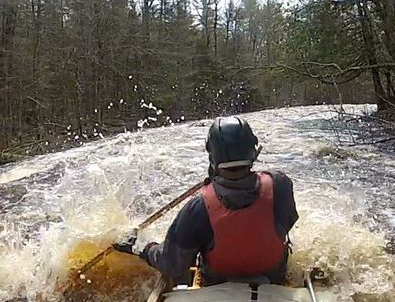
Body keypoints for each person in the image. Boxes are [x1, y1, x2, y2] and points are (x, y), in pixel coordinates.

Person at [115, 116, 298, 285]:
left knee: (189, 250)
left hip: (219, 284)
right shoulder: (280, 185)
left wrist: (141, 247)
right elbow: (288, 220)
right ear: (252, 151)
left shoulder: (198, 208)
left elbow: (171, 263)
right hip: (273, 278)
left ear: (213, 157)